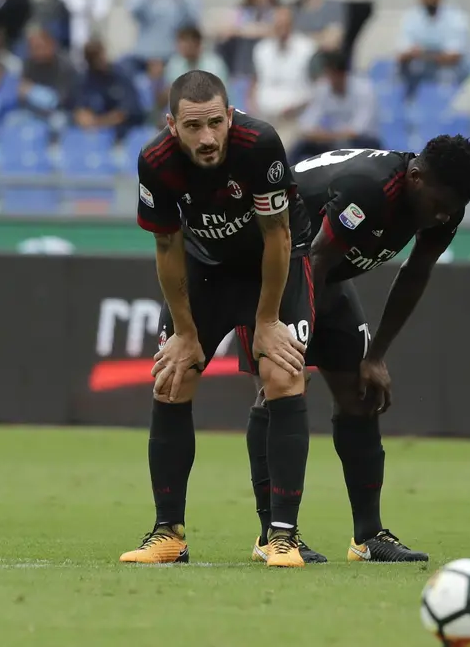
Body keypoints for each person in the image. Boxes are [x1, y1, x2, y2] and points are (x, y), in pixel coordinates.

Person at [237, 139, 470, 564]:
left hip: (326, 275)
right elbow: (311, 259)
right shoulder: (369, 190)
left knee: (360, 394)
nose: (444, 215)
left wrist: (376, 355)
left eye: (453, 207)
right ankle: (272, 536)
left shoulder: (447, 203)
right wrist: (296, 342)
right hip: (270, 268)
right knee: (280, 387)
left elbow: (416, 273)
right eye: (440, 204)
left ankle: (368, 537)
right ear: (416, 177)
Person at [120, 70, 314, 568]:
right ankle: (169, 534)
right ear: (171, 126)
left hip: (272, 264)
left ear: (230, 116)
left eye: (214, 123)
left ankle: (282, 536)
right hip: (206, 268)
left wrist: (267, 321)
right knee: (171, 377)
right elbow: (167, 247)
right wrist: (185, 334)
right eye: (192, 127)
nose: (206, 138)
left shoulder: (259, 144)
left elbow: (277, 236)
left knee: (281, 373)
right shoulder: (155, 163)